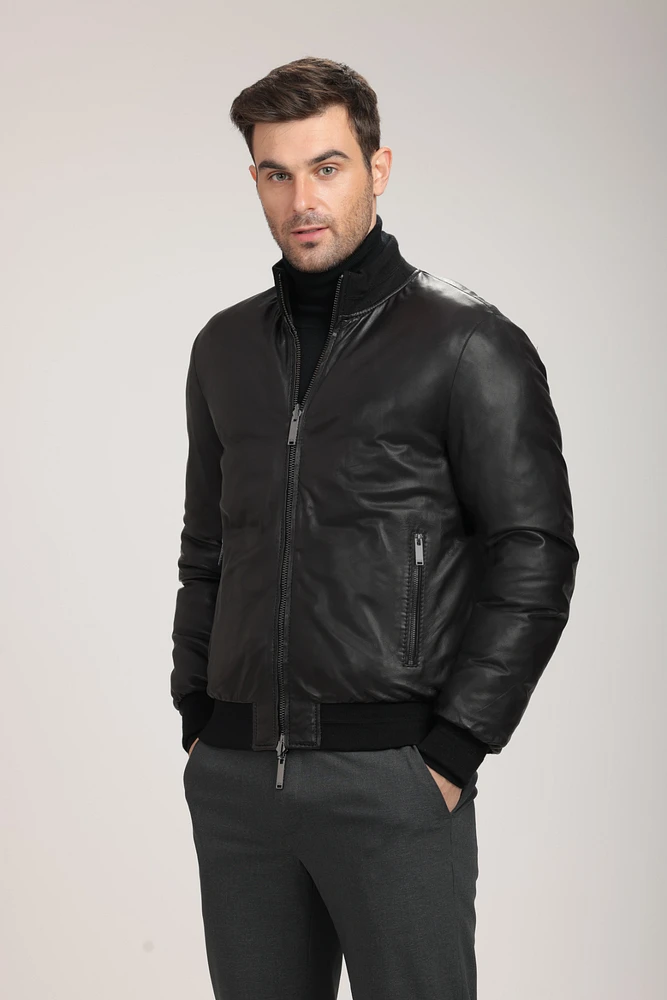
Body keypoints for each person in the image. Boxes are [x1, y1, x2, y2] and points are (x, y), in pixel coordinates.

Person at [170, 56, 579, 1000]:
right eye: (276, 174)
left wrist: (454, 748)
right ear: (254, 180)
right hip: (237, 780)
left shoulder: (466, 343)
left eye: (327, 167)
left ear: (376, 168)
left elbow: (534, 553)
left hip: (392, 777)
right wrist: (197, 714)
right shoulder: (223, 348)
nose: (302, 200)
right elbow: (207, 548)